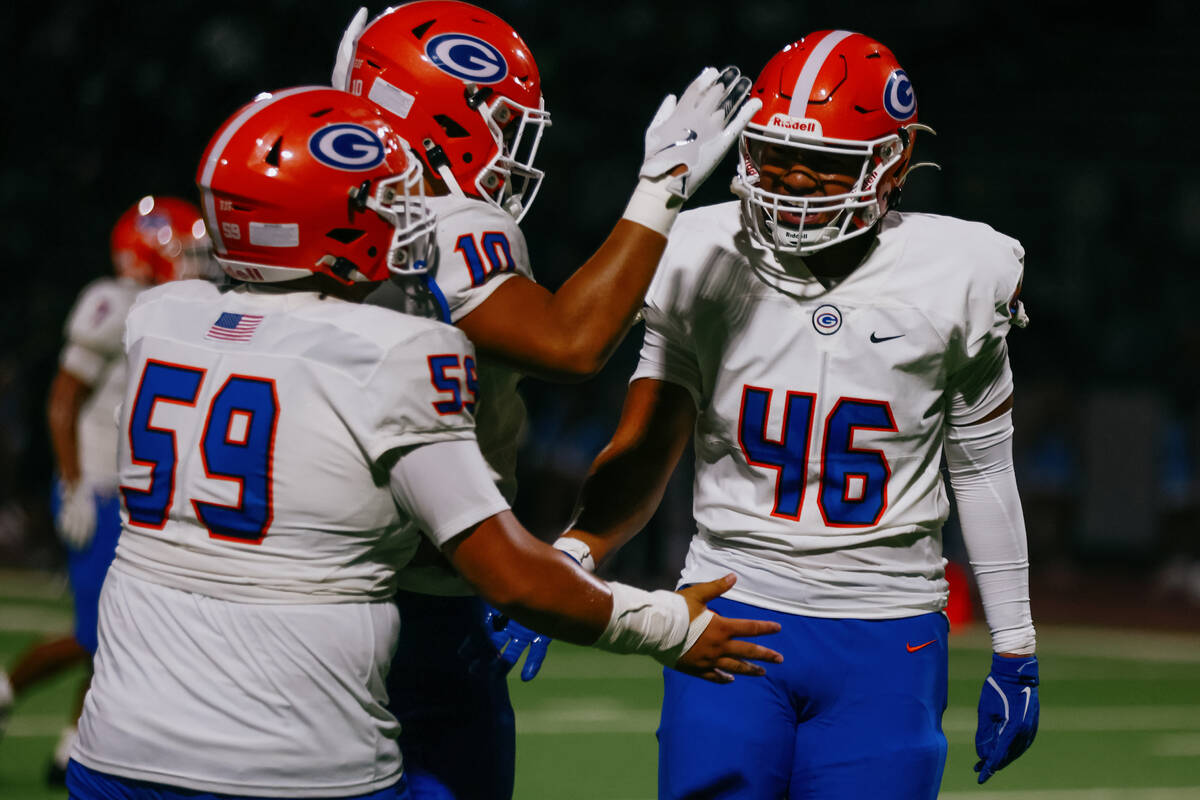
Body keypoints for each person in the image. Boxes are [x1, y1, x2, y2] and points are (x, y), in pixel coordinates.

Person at [65, 86, 781, 800]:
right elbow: (511, 576)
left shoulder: (161, 320)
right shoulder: (396, 352)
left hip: (115, 751)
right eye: (385, 200)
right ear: (324, 223)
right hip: (297, 761)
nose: (408, 217)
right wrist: (664, 628)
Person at [555, 30, 1041, 798]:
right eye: (775, 154)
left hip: (889, 630)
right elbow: (649, 440)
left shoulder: (964, 270)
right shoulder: (697, 245)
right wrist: (575, 552)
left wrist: (1015, 643)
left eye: (827, 164)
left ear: (893, 162)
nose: (795, 181)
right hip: (728, 606)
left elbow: (981, 467)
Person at [330, 3, 761, 797]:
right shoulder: (449, 222)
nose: (510, 147)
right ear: (433, 109)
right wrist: (661, 188)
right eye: (499, 121)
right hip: (418, 601)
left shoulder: (307, 229)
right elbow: (570, 342)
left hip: (313, 581)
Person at [0, 194, 208, 784]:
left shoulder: (174, 306)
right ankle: (6, 689)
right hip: (98, 487)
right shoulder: (112, 300)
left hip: (139, 492)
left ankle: (74, 741)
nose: (194, 262)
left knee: (121, 627)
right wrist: (70, 484)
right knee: (98, 629)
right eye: (183, 250)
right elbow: (63, 399)